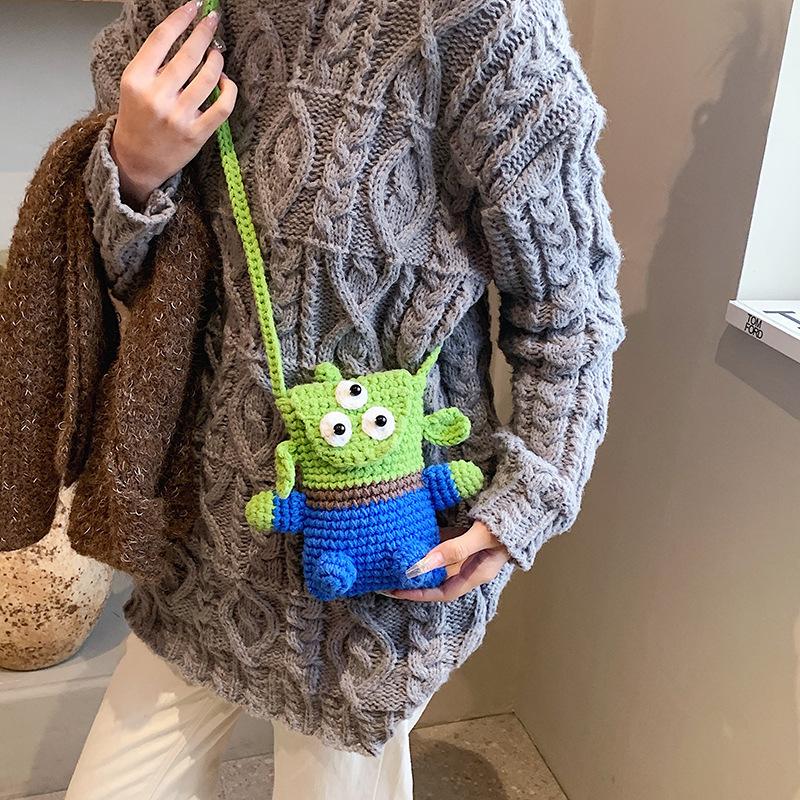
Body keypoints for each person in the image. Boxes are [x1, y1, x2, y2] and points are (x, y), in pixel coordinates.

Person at [65, 0, 626, 797]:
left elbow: (568, 309)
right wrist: (133, 170)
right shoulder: (177, 13)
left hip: (378, 571)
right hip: (200, 551)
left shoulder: (484, 23)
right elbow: (123, 285)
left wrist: (526, 501)